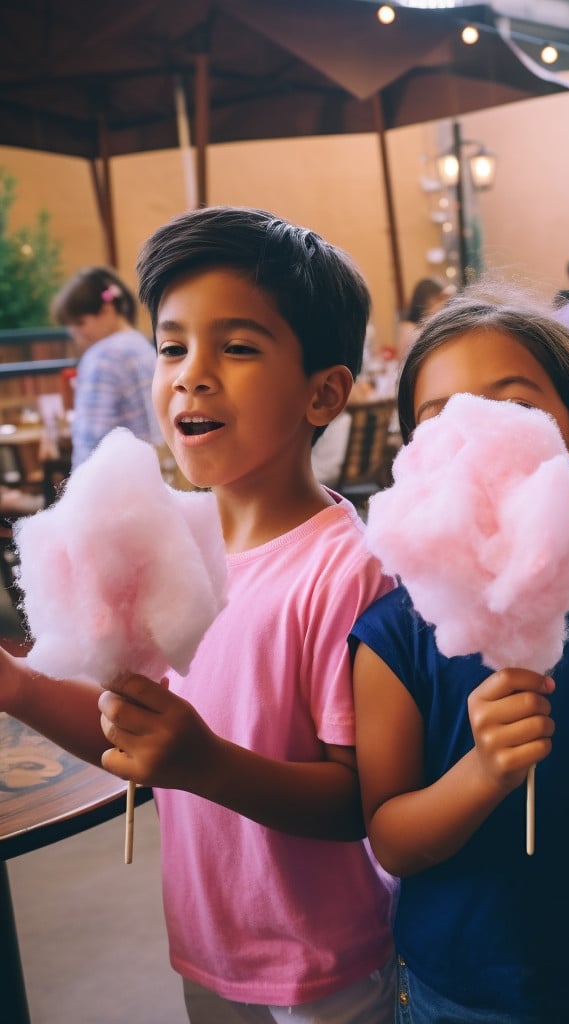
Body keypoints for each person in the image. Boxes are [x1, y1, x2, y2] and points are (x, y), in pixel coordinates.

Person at [0, 207, 397, 1023]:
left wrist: (204, 762)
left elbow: (358, 800)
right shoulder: (168, 544)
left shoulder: (347, 571)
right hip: (208, 946)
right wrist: (17, 687)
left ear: (323, 391)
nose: (191, 373)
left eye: (238, 347)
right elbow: (131, 729)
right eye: (173, 346)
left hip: (326, 965)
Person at [350, 289, 569, 1023]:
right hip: (447, 990)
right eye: (440, 419)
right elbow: (390, 837)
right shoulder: (394, 632)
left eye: (513, 408)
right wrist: (484, 771)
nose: (476, 436)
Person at [50, 266, 162, 469]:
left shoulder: (103, 357)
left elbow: (91, 439)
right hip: (148, 469)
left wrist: (78, 490)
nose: (75, 334)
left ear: (106, 310)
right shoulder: (142, 346)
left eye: (81, 323)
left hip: (112, 478)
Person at [393, 277, 455, 360]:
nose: (444, 304)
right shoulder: (409, 329)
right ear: (426, 301)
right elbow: (400, 361)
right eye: (439, 299)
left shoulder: (436, 325)